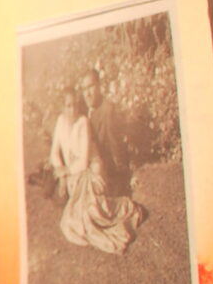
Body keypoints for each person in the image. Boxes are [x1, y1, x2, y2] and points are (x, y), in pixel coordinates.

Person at [47, 74, 146, 254]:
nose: (72, 110)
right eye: (68, 106)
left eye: (75, 105)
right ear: (62, 108)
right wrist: (62, 173)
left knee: (90, 214)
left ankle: (124, 207)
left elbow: (84, 161)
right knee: (73, 220)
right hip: (74, 175)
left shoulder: (83, 122)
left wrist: (64, 172)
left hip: (92, 172)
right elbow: (54, 153)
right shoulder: (60, 122)